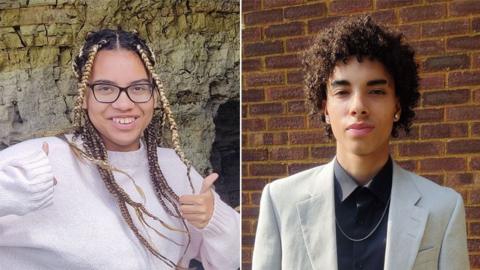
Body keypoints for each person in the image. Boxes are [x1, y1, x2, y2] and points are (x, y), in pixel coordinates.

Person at [0, 29, 240, 270]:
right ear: (84, 96)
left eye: (138, 88)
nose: (124, 104)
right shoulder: (41, 161)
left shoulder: (173, 169)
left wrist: (214, 221)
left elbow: (231, 260)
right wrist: (9, 195)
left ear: (155, 96)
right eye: (105, 89)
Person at [252, 16, 469, 270]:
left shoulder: (443, 208)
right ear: (325, 108)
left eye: (376, 91)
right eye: (342, 92)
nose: (358, 107)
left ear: (397, 106)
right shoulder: (281, 202)